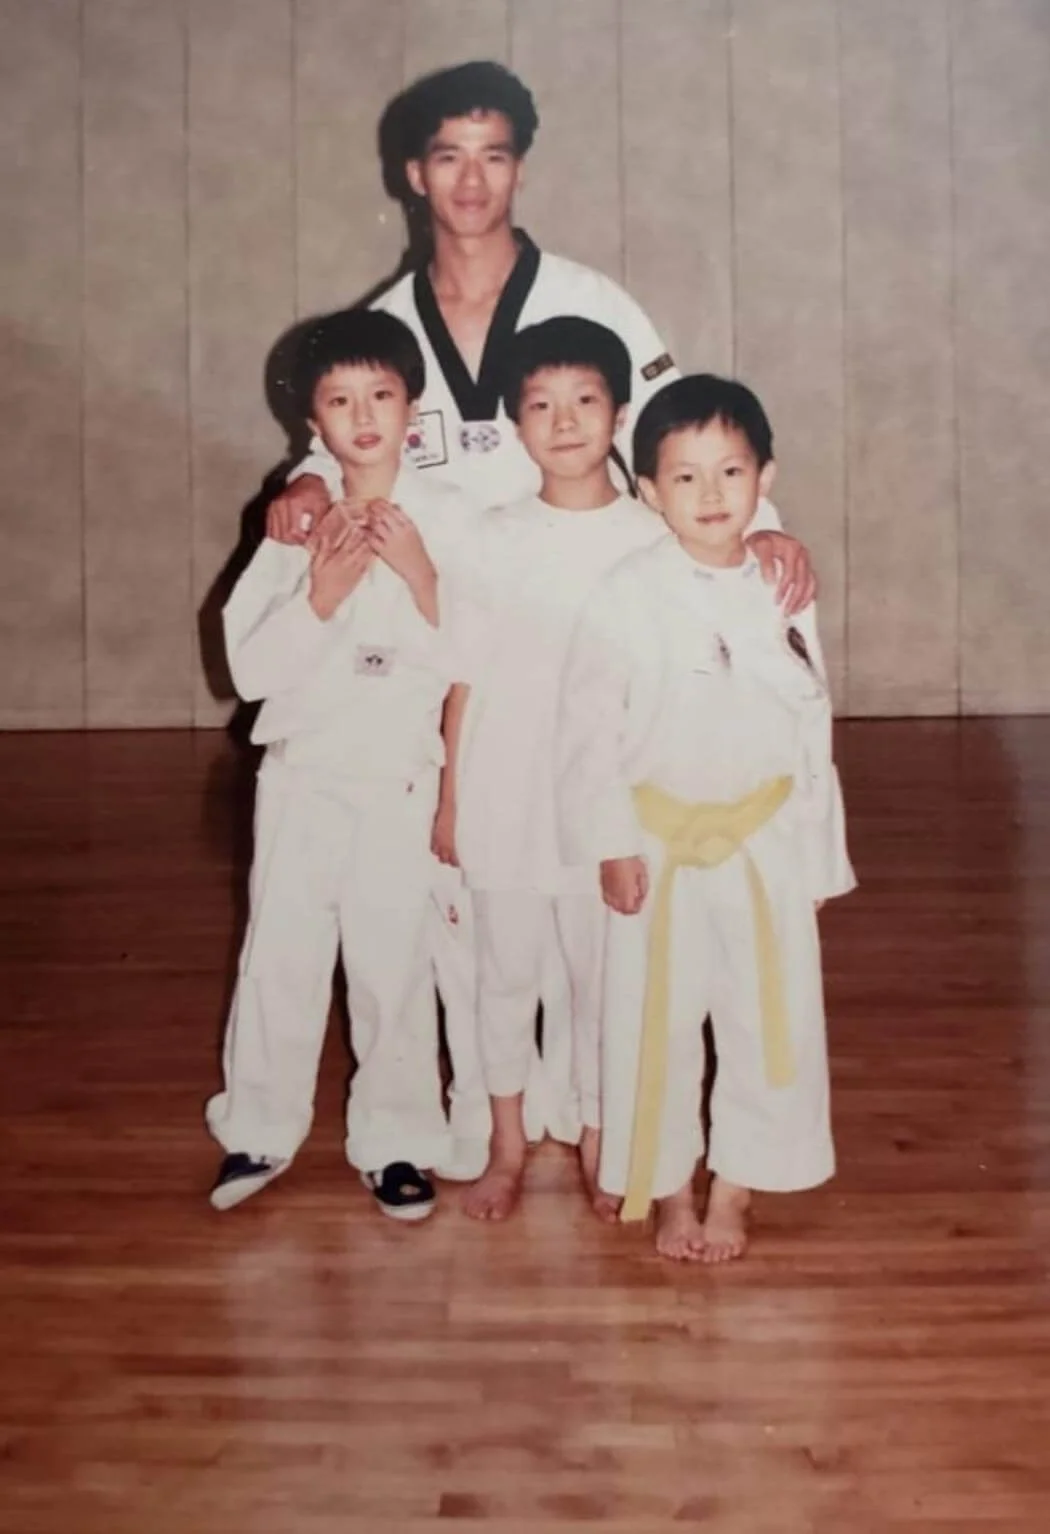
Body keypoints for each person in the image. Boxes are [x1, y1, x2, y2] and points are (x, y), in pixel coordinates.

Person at [263, 61, 816, 1181]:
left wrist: (760, 531)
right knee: (471, 905)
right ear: (412, 174)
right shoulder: (387, 323)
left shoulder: (594, 303)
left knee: (598, 908)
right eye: (450, 157)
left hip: (595, 629)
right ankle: (490, 1121)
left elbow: (683, 433)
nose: (472, 181)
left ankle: (603, 1115)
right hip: (450, 644)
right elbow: (339, 435)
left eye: (495, 155)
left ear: (520, 166)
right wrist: (310, 481)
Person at [557, 375, 855, 1261]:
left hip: (765, 841)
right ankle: (671, 1189)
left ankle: (737, 1186)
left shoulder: (782, 585)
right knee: (654, 1022)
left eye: (731, 470)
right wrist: (612, 843)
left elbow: (810, 721)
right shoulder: (626, 591)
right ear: (650, 491)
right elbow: (590, 731)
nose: (712, 494)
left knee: (768, 1019)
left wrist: (817, 858)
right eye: (685, 477)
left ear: (766, 477)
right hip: (660, 844)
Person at [205, 309, 477, 1217]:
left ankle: (397, 1141)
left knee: (393, 963)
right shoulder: (298, 524)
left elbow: (477, 659)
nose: (363, 416)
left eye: (381, 395)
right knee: (281, 955)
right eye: (339, 400)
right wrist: (319, 596)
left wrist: (422, 574)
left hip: (401, 777)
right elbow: (249, 670)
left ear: (413, 408)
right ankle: (257, 1129)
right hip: (304, 775)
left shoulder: (451, 521)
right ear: (312, 420)